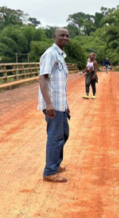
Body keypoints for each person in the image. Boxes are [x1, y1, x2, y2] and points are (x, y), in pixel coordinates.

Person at [37, 28, 70, 183]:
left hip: (60, 105)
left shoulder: (60, 56)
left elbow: (60, 84)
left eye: (67, 35)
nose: (65, 37)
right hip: (53, 105)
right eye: (62, 35)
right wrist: (48, 103)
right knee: (55, 136)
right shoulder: (50, 54)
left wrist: (66, 104)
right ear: (54, 37)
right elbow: (42, 78)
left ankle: (55, 164)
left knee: (63, 134)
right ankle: (50, 172)